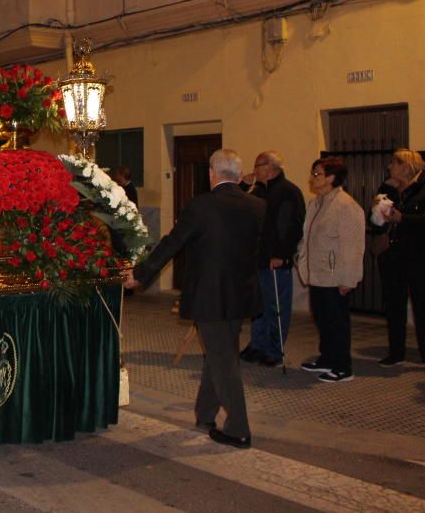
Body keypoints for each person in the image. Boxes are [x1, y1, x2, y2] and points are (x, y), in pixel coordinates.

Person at [122, 149, 264, 449]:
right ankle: (205, 414)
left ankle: (238, 428)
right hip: (241, 294)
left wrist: (140, 274)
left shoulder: (201, 205)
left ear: (212, 173)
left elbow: (173, 243)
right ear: (238, 176)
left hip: (209, 294)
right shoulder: (257, 205)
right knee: (219, 353)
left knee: (224, 360)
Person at [296, 157, 365, 383]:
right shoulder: (316, 203)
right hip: (317, 273)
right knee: (322, 319)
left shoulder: (346, 206)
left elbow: (353, 246)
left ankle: (343, 366)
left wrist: (349, 279)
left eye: (317, 174)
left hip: (335, 276)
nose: (312, 178)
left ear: (331, 178)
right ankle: (327, 358)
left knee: (337, 321)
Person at [240, 151, 306, 367]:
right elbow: (242, 211)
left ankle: (274, 350)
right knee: (258, 305)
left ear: (270, 167)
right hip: (258, 258)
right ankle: (257, 344)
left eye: (257, 165)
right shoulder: (259, 191)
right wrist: (244, 187)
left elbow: (290, 227)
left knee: (276, 306)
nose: (254, 169)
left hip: (275, 260)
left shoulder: (287, 191)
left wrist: (282, 255)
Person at [371, 149, 425, 366]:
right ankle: (396, 352)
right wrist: (378, 208)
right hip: (392, 255)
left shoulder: (422, 190)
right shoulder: (388, 189)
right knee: (394, 304)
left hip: (419, 256)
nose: (389, 167)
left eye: (393, 163)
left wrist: (403, 219)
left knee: (422, 306)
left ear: (406, 166)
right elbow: (374, 221)